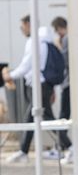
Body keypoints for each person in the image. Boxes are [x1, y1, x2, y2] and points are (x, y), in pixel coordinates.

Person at [2, 16, 57, 163]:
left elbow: (27, 65)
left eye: (22, 26)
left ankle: (68, 146)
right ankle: (24, 151)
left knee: (39, 117)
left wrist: (9, 76)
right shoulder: (44, 41)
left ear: (28, 24)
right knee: (36, 117)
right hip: (42, 85)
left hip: (38, 85)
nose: (22, 30)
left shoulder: (35, 41)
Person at [47, 16, 73, 162]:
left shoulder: (67, 39)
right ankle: (60, 146)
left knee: (63, 116)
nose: (57, 34)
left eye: (57, 31)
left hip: (68, 84)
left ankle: (66, 147)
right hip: (67, 83)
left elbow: (65, 60)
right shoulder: (68, 38)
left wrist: (58, 47)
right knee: (64, 115)